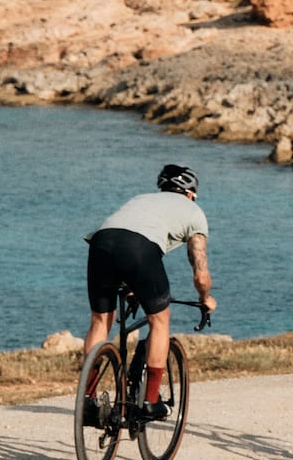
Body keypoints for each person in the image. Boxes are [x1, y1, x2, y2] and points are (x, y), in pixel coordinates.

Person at [81, 164, 216, 421]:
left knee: (100, 322)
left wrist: (132, 285)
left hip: (100, 243)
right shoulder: (194, 212)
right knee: (160, 321)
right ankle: (151, 401)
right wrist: (205, 298)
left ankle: (87, 399)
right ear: (190, 194)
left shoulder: (141, 199)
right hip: (139, 249)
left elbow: (123, 237)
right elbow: (200, 270)